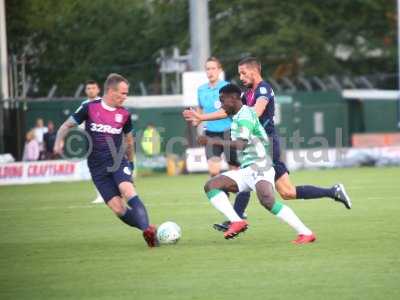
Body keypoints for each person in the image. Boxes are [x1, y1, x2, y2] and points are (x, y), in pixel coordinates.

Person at [184, 57, 351, 231]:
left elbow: (257, 111)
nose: (240, 77)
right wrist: (201, 117)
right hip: (257, 145)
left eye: (243, 73)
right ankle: (333, 191)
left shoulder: (263, 89)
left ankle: (237, 218)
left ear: (254, 71)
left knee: (245, 176)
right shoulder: (247, 92)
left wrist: (240, 122)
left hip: (267, 146)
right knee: (287, 192)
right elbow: (228, 110)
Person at [200, 84, 315, 244]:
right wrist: (200, 117)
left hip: (261, 166)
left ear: (233, 99)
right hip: (247, 169)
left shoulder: (245, 116)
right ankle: (237, 221)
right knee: (211, 186)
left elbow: (241, 144)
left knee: (268, 201)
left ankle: (306, 233)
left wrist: (211, 140)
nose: (221, 104)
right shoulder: (237, 114)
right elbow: (225, 116)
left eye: (222, 100)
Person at [54, 73, 158, 247]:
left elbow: (130, 141)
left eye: (127, 93)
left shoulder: (124, 114)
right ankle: (147, 228)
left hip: (118, 160)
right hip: (96, 166)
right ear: (110, 91)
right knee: (118, 208)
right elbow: (66, 125)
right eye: (123, 93)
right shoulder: (90, 108)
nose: (125, 97)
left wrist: (131, 163)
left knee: (127, 190)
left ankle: (148, 234)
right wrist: (58, 142)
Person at [193, 56, 250, 220]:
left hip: (228, 132)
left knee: (235, 172)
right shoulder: (201, 89)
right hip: (211, 133)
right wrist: (198, 119)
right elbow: (200, 110)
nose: (210, 71)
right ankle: (230, 211)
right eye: (208, 69)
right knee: (213, 172)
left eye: (213, 68)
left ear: (219, 70)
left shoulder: (227, 88)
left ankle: (239, 208)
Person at [82, 80, 104, 204]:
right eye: (88, 88)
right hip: (91, 143)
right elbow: (78, 124)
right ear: (86, 91)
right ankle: (100, 195)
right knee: (95, 170)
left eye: (93, 88)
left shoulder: (104, 103)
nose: (91, 90)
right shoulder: (84, 105)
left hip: (105, 141)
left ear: (98, 90)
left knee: (110, 169)